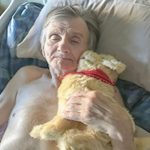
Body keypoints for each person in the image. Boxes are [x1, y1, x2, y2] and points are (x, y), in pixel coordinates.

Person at [0, 5, 135, 150]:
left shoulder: (105, 91)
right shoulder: (27, 76)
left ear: (88, 51)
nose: (62, 46)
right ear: (43, 47)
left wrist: (120, 129)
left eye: (74, 40)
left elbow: (124, 142)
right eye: (54, 37)